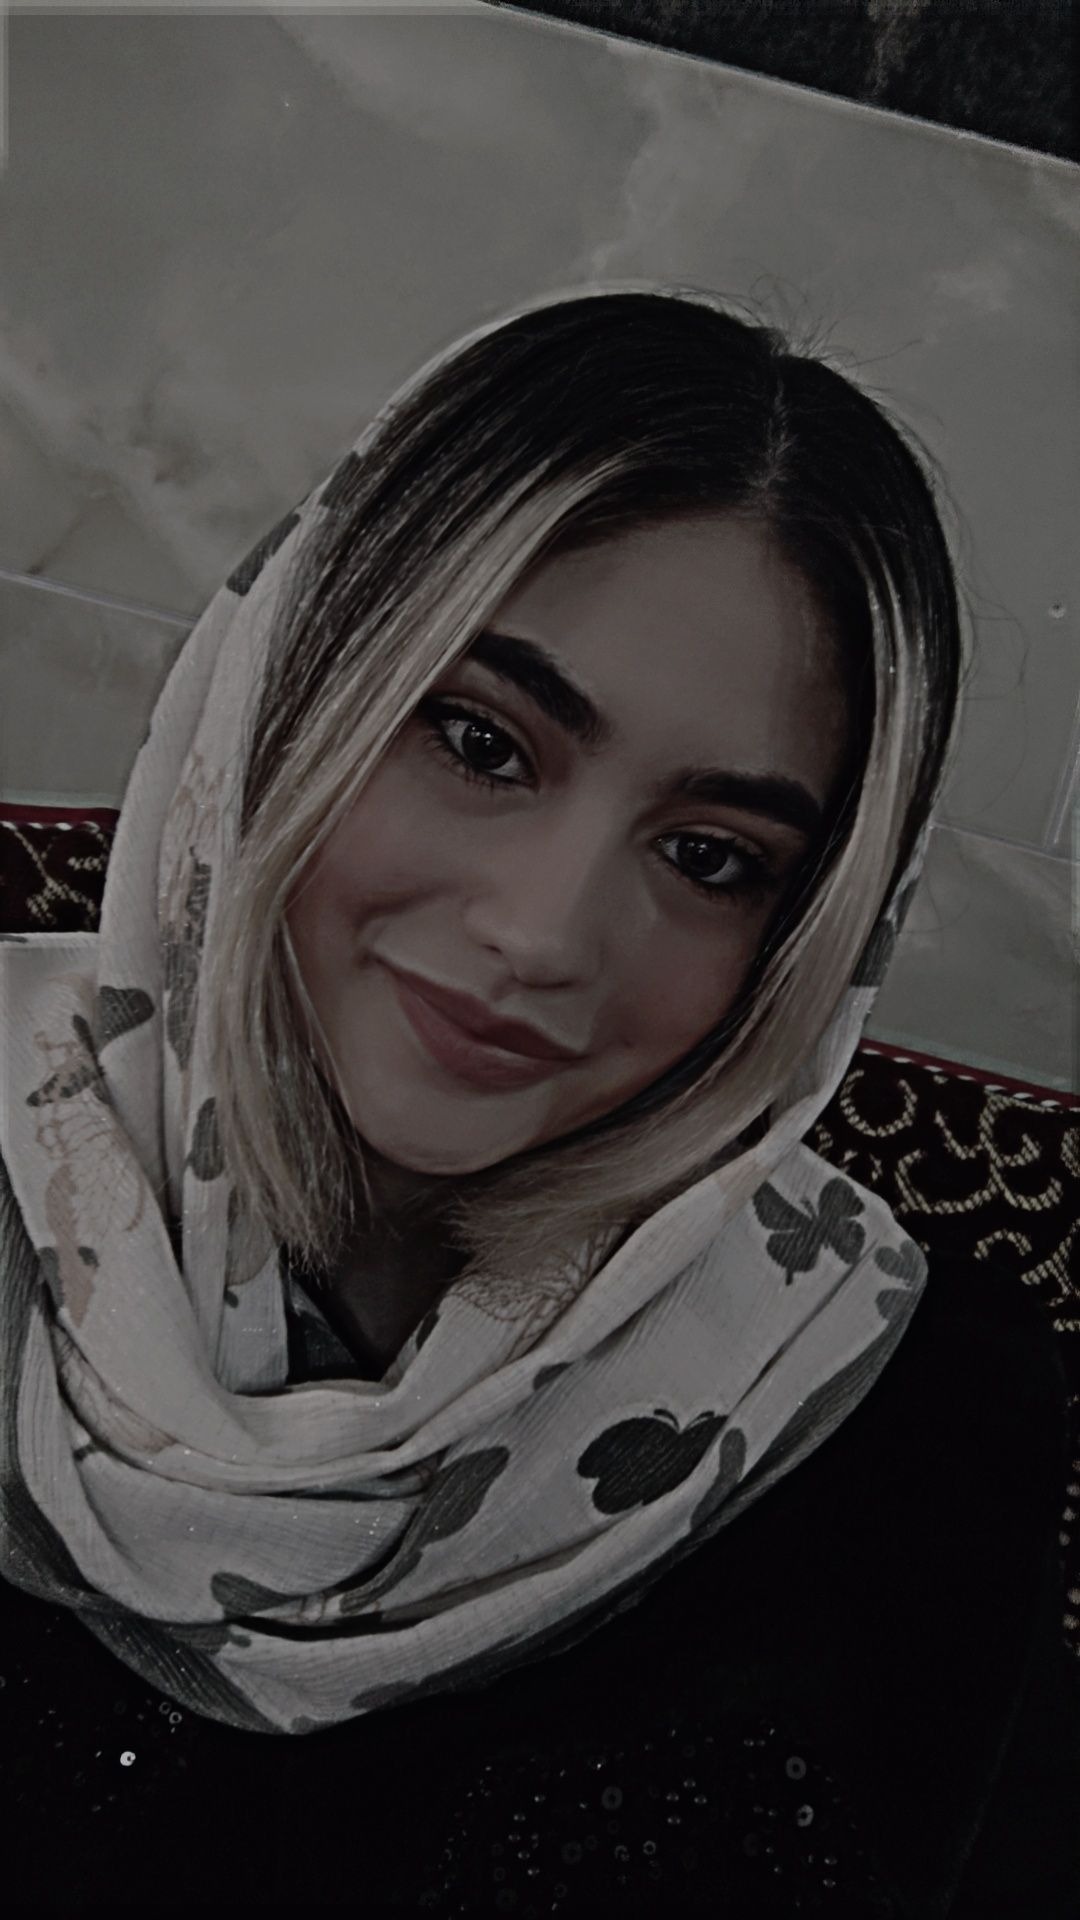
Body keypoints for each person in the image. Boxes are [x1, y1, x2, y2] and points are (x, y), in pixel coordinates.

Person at [2, 288, 1076, 1916]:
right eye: (480, 742)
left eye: (710, 857)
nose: (546, 932)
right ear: (291, 683)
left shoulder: (913, 1427)